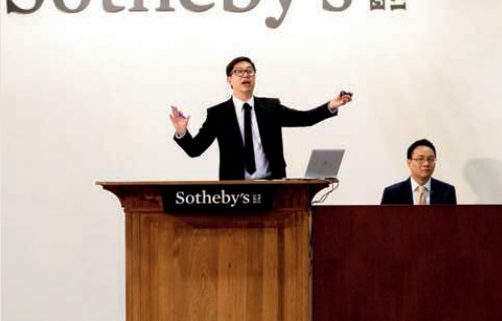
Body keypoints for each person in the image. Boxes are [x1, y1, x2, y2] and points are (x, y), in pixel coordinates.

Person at [170, 56, 353, 180]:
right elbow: (195, 150)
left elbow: (305, 118)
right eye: (239, 72)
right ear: (229, 80)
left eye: (249, 71)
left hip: (271, 185)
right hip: (234, 189)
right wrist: (182, 133)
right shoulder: (218, 114)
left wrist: (331, 105)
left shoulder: (271, 107)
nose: (245, 75)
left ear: (255, 77)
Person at [381, 138, 457, 205]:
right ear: (409, 162)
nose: (426, 164)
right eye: (420, 159)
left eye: (431, 159)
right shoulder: (392, 193)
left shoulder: (447, 191)